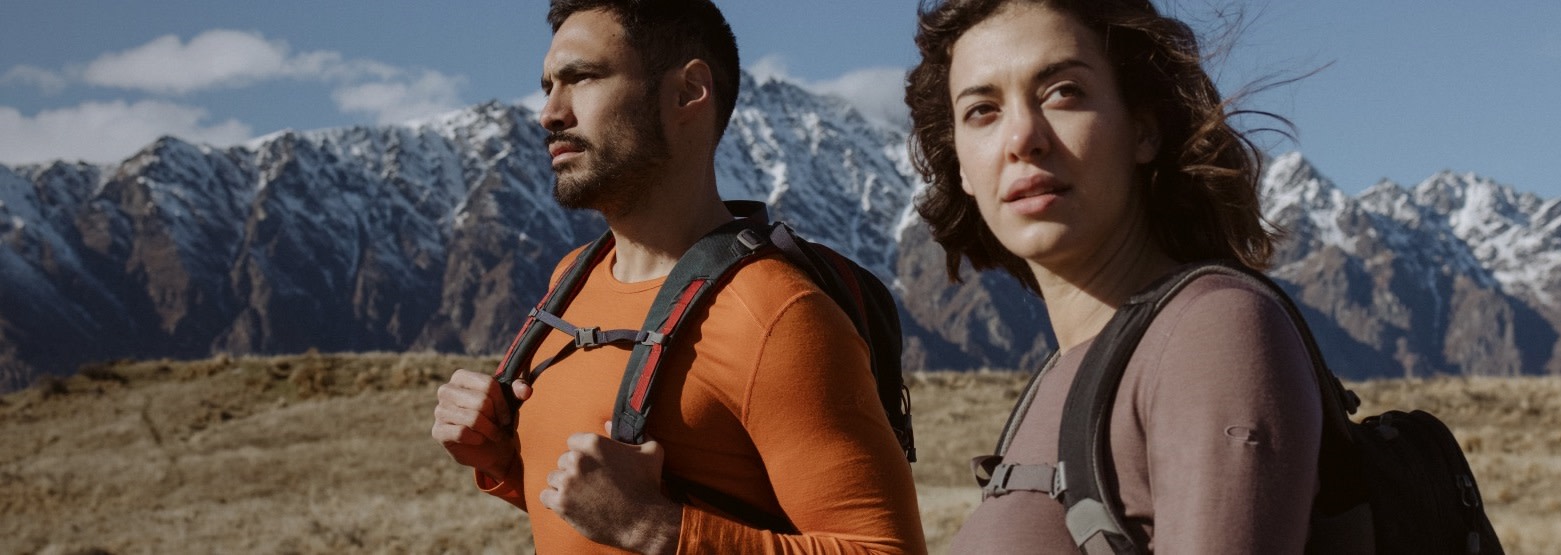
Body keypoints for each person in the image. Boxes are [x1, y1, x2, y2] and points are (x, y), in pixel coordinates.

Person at [430, 1, 925, 553]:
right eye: (547, 86)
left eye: (582, 78)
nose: (549, 113)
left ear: (689, 91)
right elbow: (593, 509)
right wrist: (498, 455)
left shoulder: (775, 316)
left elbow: (886, 549)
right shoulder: (573, 278)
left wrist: (656, 527)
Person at [905, 0, 1322, 552]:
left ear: (1143, 129)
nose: (1022, 138)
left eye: (1064, 93)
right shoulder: (1067, 373)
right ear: (961, 168)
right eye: (983, 110)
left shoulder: (1211, 330)